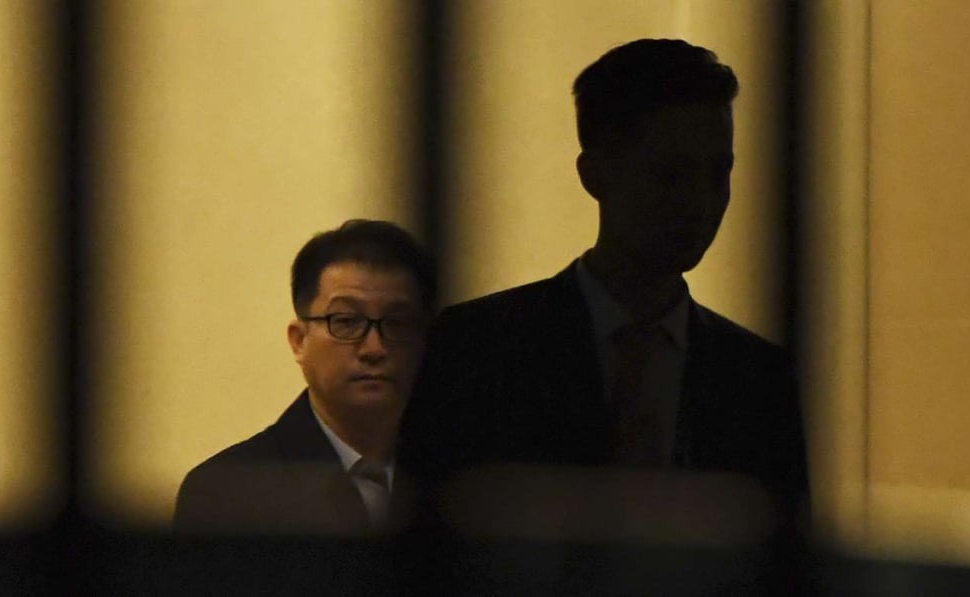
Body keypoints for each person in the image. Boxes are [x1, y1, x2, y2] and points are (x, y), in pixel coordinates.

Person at [399, 39, 808, 527]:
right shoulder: (476, 351)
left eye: (718, 173)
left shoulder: (759, 381)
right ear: (595, 174)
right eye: (671, 175)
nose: (701, 202)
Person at [174, 219, 435, 534]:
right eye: (346, 321)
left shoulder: (462, 479)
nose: (374, 348)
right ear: (299, 341)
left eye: (397, 323)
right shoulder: (226, 492)